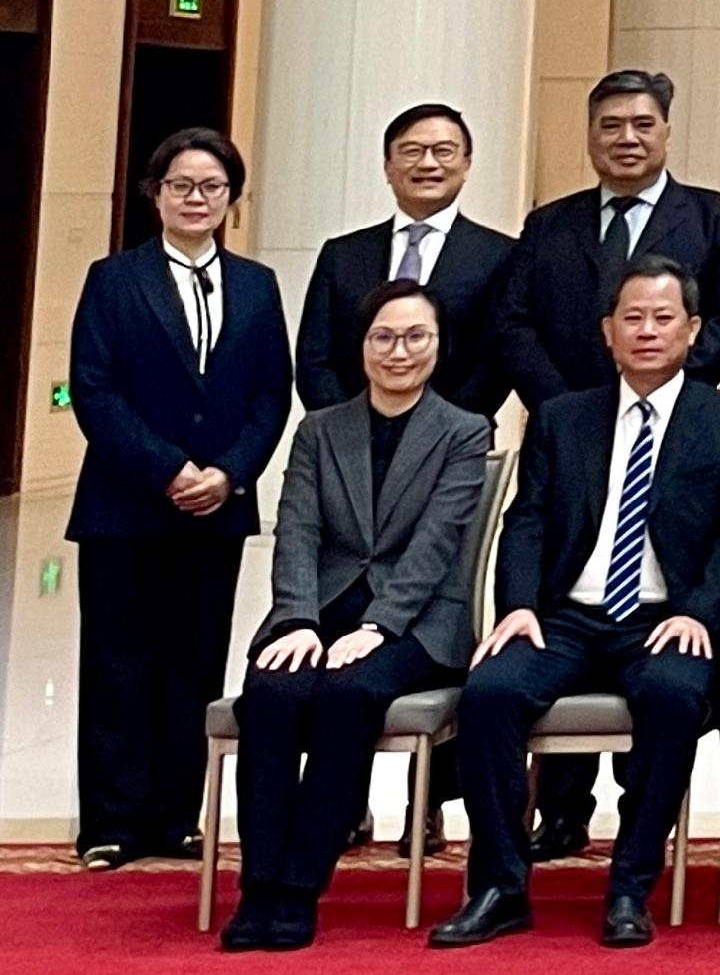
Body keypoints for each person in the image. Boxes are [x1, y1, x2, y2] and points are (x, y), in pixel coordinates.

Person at [433, 255, 720, 950]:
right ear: (608, 332)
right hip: (565, 617)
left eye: (663, 317)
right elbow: (526, 520)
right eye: (632, 318)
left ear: (694, 329)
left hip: (666, 618)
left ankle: (627, 887)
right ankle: (499, 885)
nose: (647, 331)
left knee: (673, 698)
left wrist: (699, 611)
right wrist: (518, 606)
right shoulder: (562, 418)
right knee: (489, 693)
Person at [221, 284, 495, 949]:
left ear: (438, 345)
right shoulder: (319, 429)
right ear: (362, 344)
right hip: (320, 609)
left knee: (348, 695)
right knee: (271, 693)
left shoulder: (464, 431)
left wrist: (378, 627)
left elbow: (436, 545)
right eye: (383, 337)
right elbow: (297, 531)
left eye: (415, 337)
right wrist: (297, 621)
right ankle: (257, 884)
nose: (398, 352)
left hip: (418, 622)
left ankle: (299, 887)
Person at [68, 126, 290, 870]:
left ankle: (176, 817)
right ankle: (111, 819)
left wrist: (228, 473)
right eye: (180, 186)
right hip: (126, 506)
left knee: (193, 663)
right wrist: (168, 469)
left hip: (217, 507)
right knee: (118, 662)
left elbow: (271, 393)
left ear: (232, 198)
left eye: (212, 187)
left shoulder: (257, 285)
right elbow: (94, 390)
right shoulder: (113, 279)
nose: (196, 199)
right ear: (155, 194)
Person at [493, 69, 720, 406]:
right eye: (611, 126)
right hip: (562, 422)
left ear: (667, 134)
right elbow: (513, 323)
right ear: (590, 136)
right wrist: (562, 407)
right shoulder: (547, 225)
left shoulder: (718, 219)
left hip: (676, 419)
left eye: (643, 125)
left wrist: (658, 393)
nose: (627, 138)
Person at [293, 102, 514, 416]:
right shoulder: (341, 255)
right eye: (412, 151)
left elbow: (496, 363)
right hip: (346, 442)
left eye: (443, 151)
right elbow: (315, 359)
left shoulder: (501, 255)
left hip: (454, 442)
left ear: (466, 164)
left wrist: (437, 430)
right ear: (387, 166)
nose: (427, 163)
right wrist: (346, 427)